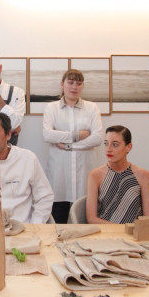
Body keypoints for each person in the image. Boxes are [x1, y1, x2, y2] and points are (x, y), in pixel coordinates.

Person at [42, 69, 103, 221]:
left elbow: (97, 138)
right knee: (58, 220)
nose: (74, 87)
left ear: (82, 86)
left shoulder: (92, 108)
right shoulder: (52, 108)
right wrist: (77, 135)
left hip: (85, 171)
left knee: (85, 221)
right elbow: (47, 134)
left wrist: (68, 145)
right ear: (62, 85)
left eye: (78, 83)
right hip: (60, 173)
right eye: (70, 82)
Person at [86, 125, 149, 224]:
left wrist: (128, 232)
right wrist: (120, 230)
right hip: (104, 234)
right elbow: (91, 219)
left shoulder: (143, 175)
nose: (108, 149)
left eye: (115, 145)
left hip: (135, 234)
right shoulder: (95, 175)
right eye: (106, 144)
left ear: (128, 147)